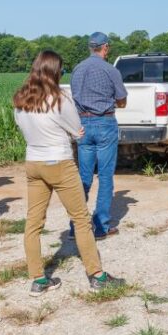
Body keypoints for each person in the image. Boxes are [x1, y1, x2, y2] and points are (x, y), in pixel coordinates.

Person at [13, 51, 126, 295]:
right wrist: (71, 132)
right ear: (55, 72)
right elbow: (77, 130)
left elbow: (24, 128)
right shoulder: (59, 99)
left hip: (33, 162)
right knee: (81, 219)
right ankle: (96, 274)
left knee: (33, 223)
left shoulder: (21, 99)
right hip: (59, 162)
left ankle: (38, 279)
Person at [70, 32, 127, 239]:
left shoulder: (77, 69)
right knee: (105, 176)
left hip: (82, 123)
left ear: (90, 47)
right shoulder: (110, 70)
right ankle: (102, 226)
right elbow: (122, 99)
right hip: (105, 123)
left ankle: (76, 226)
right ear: (105, 48)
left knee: (83, 176)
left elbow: (74, 97)